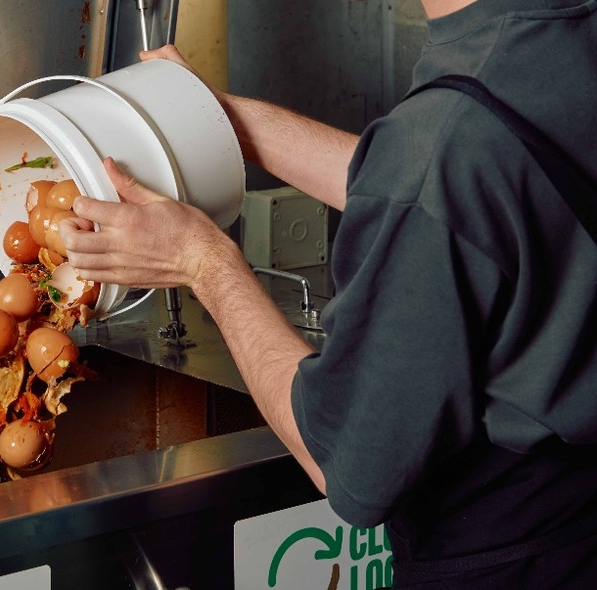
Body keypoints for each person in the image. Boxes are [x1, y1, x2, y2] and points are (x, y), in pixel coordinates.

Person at [59, 0, 597, 586]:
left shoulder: (446, 136)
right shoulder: (557, 38)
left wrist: (203, 261)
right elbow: (450, 186)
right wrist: (212, 117)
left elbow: (346, 467)